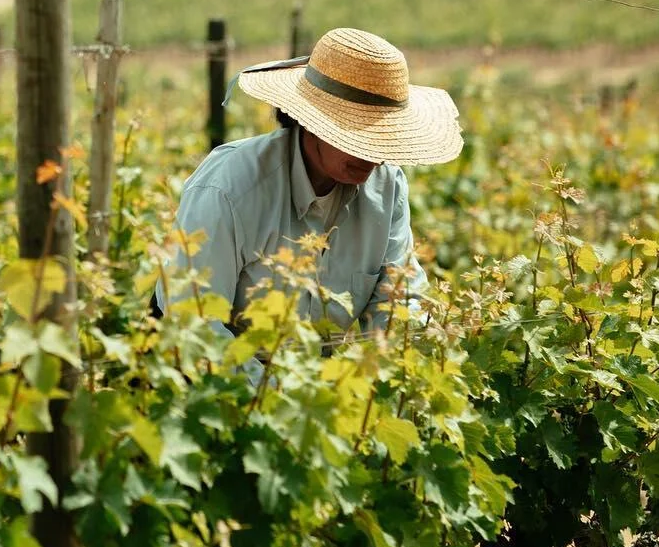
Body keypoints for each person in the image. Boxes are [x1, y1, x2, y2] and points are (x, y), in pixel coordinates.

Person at [154, 27, 464, 339]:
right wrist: (268, 387)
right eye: (357, 136)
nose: (374, 155)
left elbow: (398, 302)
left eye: (383, 138)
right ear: (310, 121)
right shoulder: (229, 188)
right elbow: (193, 324)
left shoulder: (388, 187)